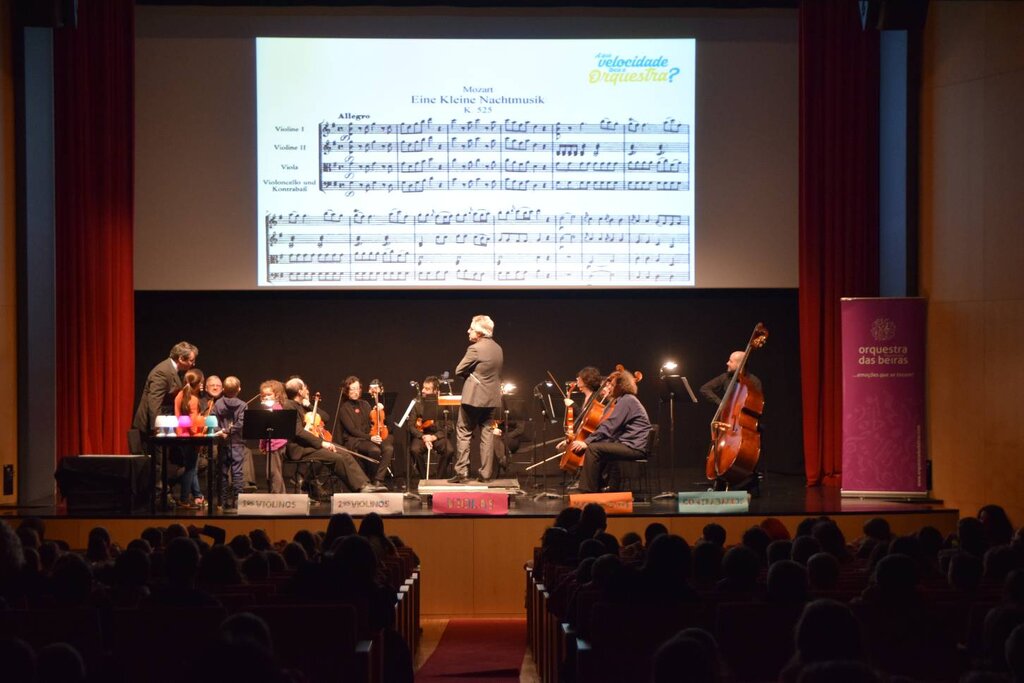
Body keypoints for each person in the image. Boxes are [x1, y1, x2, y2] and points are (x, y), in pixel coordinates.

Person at [573, 369, 651, 494]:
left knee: (593, 449)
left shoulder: (627, 400)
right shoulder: (623, 400)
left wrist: (586, 442)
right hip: (629, 444)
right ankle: (598, 488)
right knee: (597, 447)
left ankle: (588, 491)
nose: (609, 388)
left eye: (612, 385)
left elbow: (610, 426)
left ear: (621, 386)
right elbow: (610, 428)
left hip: (635, 447)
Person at [700, 350, 764, 491]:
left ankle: (747, 478)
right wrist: (722, 404)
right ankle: (720, 476)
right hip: (729, 422)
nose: (727, 363)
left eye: (731, 361)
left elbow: (756, 405)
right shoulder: (725, 377)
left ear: (740, 364)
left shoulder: (754, 382)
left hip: (744, 423)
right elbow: (705, 389)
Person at [451, 314, 504, 483]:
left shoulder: (475, 349)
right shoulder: (498, 348)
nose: (468, 331)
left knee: (464, 432)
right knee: (487, 434)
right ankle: (486, 474)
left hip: (473, 398)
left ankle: (462, 472)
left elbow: (459, 370)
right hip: (491, 398)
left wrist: (470, 376)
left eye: (471, 328)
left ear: (480, 332)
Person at [335, 376, 394, 491]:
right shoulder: (344, 408)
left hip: (369, 438)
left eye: (357, 388)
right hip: (355, 440)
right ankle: (369, 480)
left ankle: (378, 480)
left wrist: (378, 409)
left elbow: (373, 421)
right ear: (347, 391)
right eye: (352, 389)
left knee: (388, 448)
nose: (355, 392)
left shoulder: (365, 404)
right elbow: (352, 430)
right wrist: (370, 437)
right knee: (374, 450)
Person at [132, 341, 198, 437]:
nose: (193, 364)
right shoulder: (162, 372)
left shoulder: (176, 371)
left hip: (166, 423)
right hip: (151, 429)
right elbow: (154, 403)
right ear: (181, 359)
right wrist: (158, 429)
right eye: (191, 360)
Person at [408, 376, 452, 480]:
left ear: (436, 391)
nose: (423, 391)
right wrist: (423, 437)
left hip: (438, 435)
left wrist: (434, 437)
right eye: (423, 387)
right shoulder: (417, 403)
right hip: (421, 435)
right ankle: (424, 478)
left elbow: (450, 427)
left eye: (427, 389)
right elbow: (410, 426)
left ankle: (439, 479)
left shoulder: (444, 403)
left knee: (449, 450)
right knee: (414, 450)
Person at [173, 368, 207, 508]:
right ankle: (184, 499)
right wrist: (203, 427)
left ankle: (197, 495)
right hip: (193, 438)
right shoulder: (193, 400)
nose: (202, 385)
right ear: (198, 383)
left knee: (191, 467)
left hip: (181, 435)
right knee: (191, 469)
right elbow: (193, 426)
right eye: (201, 382)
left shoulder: (179, 395)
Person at [213, 376, 246, 511]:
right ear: (239, 389)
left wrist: (221, 431)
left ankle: (221, 502)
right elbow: (241, 423)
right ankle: (238, 501)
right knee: (237, 472)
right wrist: (229, 431)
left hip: (223, 442)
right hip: (237, 442)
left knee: (222, 472)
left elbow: (213, 421)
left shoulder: (218, 403)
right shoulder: (243, 405)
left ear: (223, 389)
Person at [257, 380, 289, 494]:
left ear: (277, 395)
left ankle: (276, 495)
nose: (266, 397)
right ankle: (281, 495)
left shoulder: (276, 408)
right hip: (272, 445)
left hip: (276, 445)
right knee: (275, 472)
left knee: (273, 472)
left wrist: (263, 445)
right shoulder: (269, 409)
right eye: (264, 395)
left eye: (269, 394)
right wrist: (262, 445)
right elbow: (264, 431)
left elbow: (267, 430)